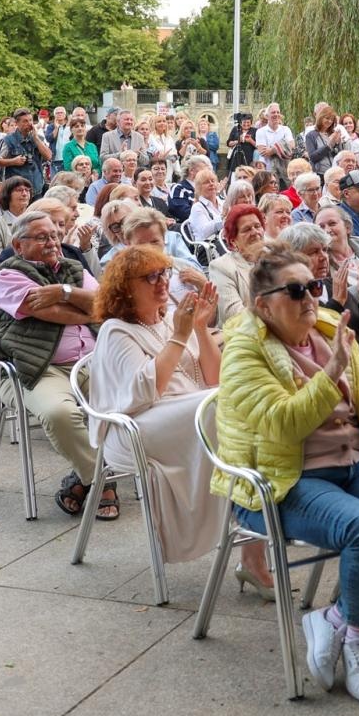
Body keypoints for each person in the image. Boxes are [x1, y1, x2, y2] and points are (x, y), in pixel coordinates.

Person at [213, 244, 359, 702]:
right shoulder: (243, 352)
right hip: (281, 481)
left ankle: (337, 619)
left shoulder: (331, 328)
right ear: (263, 304)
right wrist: (331, 370)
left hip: (351, 467)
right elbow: (282, 423)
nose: (311, 297)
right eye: (296, 290)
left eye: (314, 285)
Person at [91, 244, 226, 569]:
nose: (162, 282)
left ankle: (245, 508)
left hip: (184, 415)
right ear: (125, 288)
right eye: (149, 277)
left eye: (163, 273)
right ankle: (241, 509)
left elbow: (213, 377)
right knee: (218, 405)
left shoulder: (169, 321)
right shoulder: (116, 330)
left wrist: (200, 330)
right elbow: (142, 392)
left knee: (224, 398)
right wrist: (180, 336)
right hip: (134, 428)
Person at [0, 209, 115, 518]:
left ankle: (81, 480)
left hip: (92, 361)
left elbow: (104, 305)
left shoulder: (72, 269)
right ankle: (102, 482)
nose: (52, 242)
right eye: (42, 237)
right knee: (59, 414)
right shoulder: (6, 275)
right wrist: (87, 308)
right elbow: (48, 312)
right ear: (19, 245)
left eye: (55, 235)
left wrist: (63, 291)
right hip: (37, 368)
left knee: (133, 400)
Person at [208, 203, 268, 323]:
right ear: (233, 240)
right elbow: (233, 315)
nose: (255, 232)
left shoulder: (276, 258)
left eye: (257, 226)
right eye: (247, 229)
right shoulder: (222, 267)